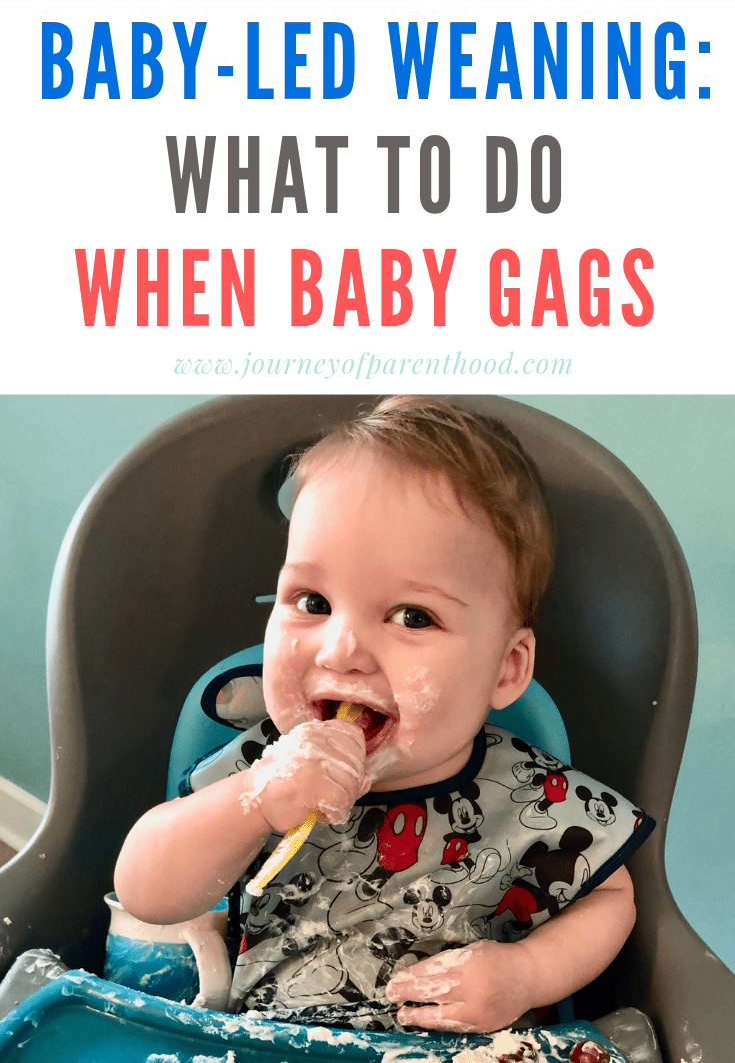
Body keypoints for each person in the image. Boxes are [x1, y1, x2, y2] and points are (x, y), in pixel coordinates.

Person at [114, 396, 654, 1033]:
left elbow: (612, 899)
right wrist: (256, 800)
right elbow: (146, 891)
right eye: (312, 601)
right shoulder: (263, 766)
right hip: (277, 1040)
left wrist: (524, 974)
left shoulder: (535, 795)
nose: (341, 649)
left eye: (413, 617)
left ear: (506, 669)